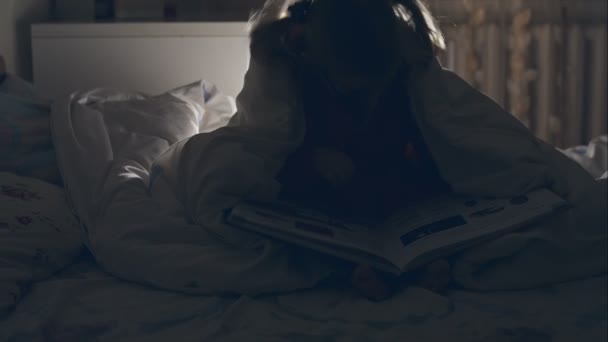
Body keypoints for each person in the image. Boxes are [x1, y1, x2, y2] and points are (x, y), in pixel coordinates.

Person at [248, 0, 453, 300]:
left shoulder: (396, 72)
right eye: (348, 86)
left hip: (385, 182)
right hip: (326, 188)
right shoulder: (302, 71)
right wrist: (313, 160)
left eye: (369, 88)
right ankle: (354, 268)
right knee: (300, 216)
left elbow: (427, 140)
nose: (358, 95)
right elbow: (270, 147)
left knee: (416, 200)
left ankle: (422, 262)